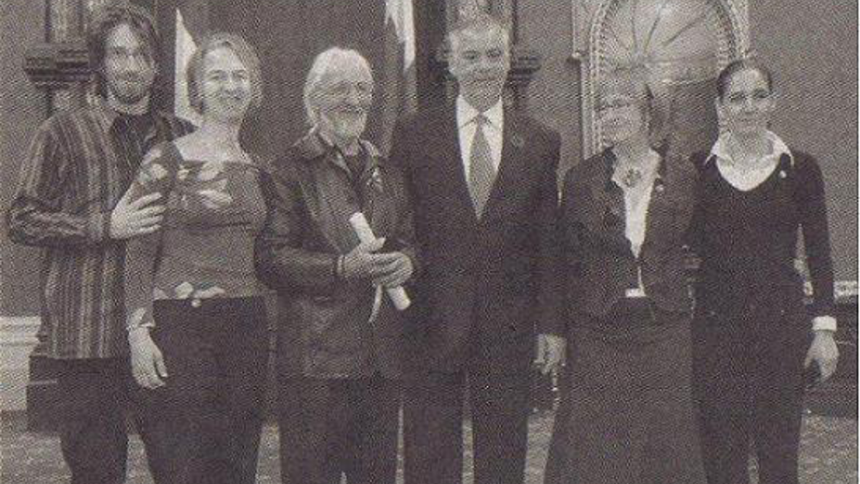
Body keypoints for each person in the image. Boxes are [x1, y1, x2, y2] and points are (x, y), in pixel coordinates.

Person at [6, 4, 192, 483]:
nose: (130, 66)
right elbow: (21, 219)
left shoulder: (181, 135)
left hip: (161, 334)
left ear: (155, 64)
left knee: (179, 466)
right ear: (101, 63)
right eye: (118, 54)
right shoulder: (62, 131)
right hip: (87, 334)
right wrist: (105, 226)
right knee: (95, 472)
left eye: (141, 54)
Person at [389, 14, 565, 484]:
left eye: (494, 55)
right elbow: (401, 226)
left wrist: (550, 323)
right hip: (430, 316)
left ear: (508, 61)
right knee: (429, 449)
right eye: (471, 56)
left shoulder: (542, 141)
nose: (484, 67)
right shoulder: (413, 135)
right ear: (451, 64)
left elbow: (548, 239)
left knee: (505, 448)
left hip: (509, 322)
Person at [254, 47, 418, 484]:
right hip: (316, 363)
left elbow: (409, 240)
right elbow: (271, 259)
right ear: (314, 97)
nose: (355, 98)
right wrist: (343, 267)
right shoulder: (287, 170)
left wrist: (406, 262)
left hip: (379, 359)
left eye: (363, 88)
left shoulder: (387, 169)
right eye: (341, 88)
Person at [543, 68, 706, 484]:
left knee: (666, 449)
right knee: (600, 452)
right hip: (599, 330)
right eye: (603, 106)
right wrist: (555, 331)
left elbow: (707, 244)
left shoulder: (685, 175)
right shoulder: (581, 180)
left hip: (665, 327)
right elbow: (564, 261)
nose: (610, 114)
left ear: (648, 109)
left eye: (621, 103)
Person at [123, 33, 268, 484]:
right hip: (180, 326)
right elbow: (138, 250)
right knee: (182, 462)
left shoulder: (258, 167)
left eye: (240, 76)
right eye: (218, 76)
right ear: (198, 88)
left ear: (254, 87)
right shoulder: (165, 159)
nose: (231, 86)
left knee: (237, 459)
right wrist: (138, 333)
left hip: (246, 323)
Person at [689, 59, 839, 484]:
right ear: (720, 107)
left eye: (758, 96)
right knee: (721, 460)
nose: (748, 107)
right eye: (736, 98)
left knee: (779, 459)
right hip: (716, 337)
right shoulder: (699, 171)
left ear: (773, 102)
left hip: (782, 334)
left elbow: (820, 253)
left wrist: (825, 331)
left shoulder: (802, 169)